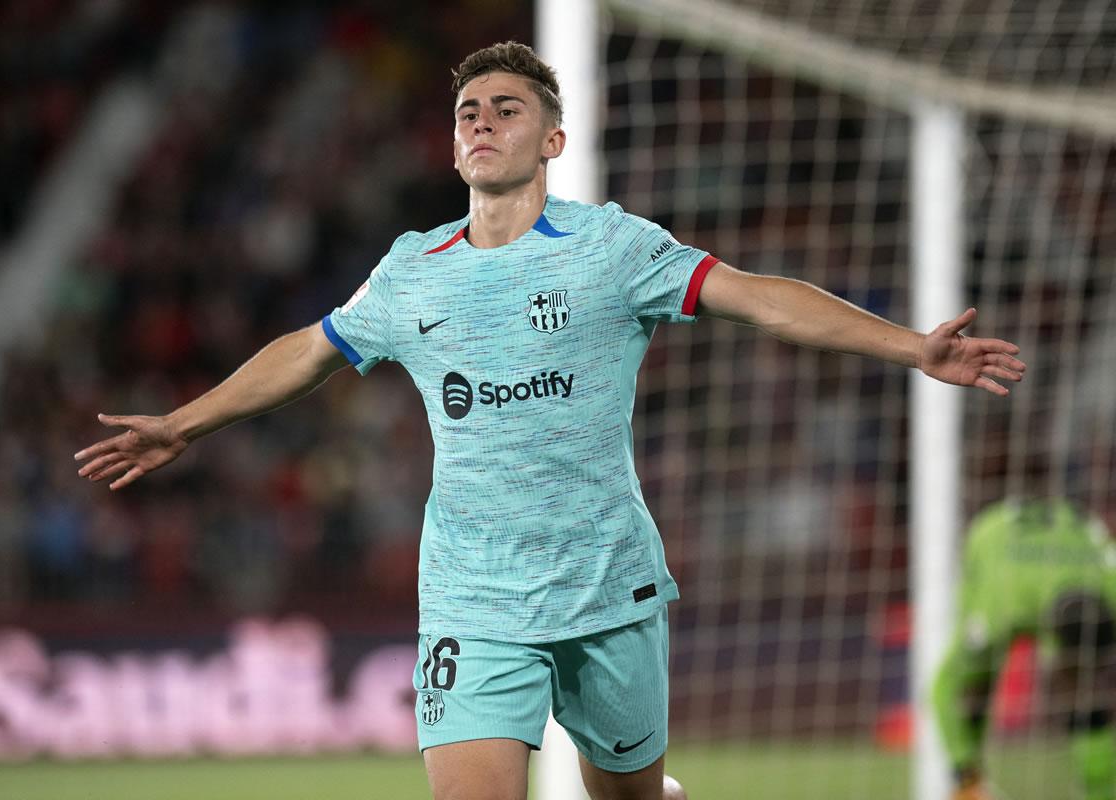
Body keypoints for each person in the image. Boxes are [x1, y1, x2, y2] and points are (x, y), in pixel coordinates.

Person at [75, 41, 1025, 800]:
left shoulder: (612, 248)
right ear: (454, 146)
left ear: (554, 140)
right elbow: (310, 349)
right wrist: (184, 425)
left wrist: (913, 347)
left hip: (608, 587)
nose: (482, 123)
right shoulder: (412, 270)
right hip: (473, 598)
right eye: (468, 113)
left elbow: (756, 297)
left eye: (507, 109)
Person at [931, 498, 1116, 800]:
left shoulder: (1110, 582)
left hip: (1065, 547)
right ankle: (969, 784)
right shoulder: (999, 606)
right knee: (974, 684)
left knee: (1083, 696)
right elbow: (942, 686)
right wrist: (962, 768)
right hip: (996, 545)